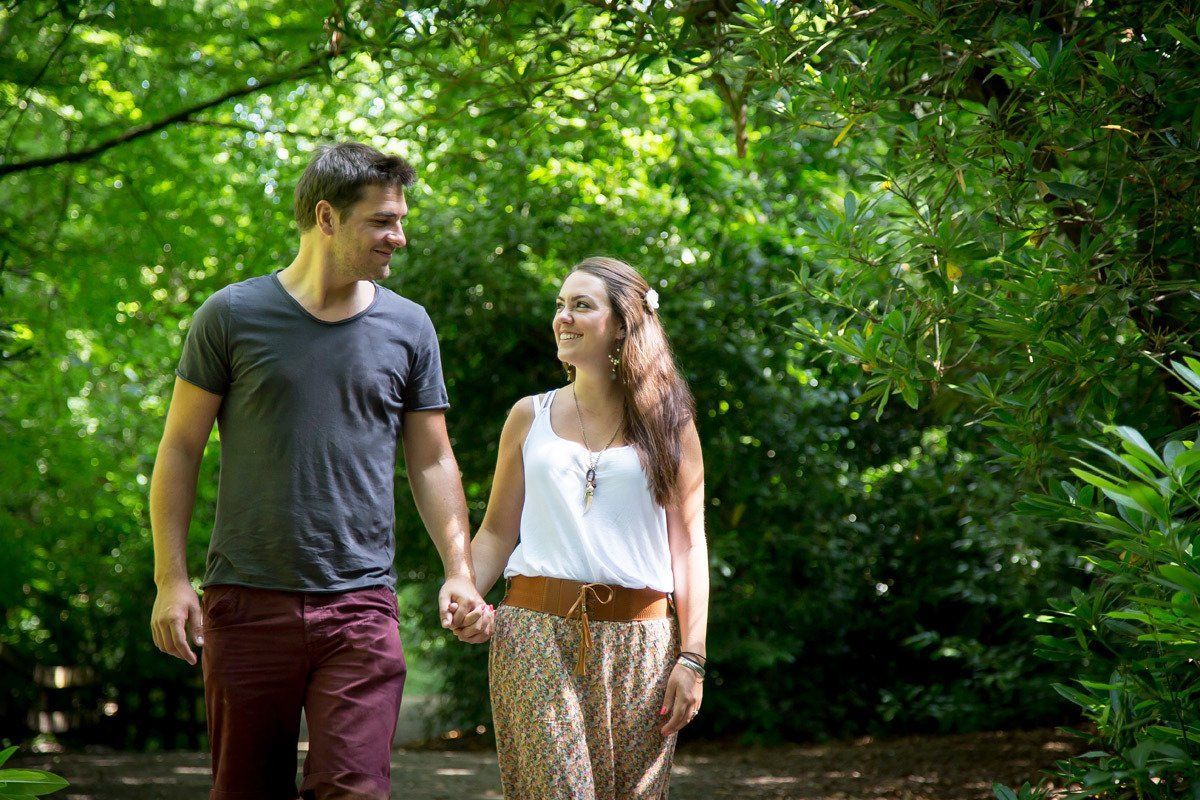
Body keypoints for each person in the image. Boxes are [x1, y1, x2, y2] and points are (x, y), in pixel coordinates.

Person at [148, 142, 488, 800]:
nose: (400, 237)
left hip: (360, 605)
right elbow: (180, 449)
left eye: (400, 219)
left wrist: (459, 570)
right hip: (245, 602)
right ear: (327, 218)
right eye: (383, 221)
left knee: (354, 790)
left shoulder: (409, 327)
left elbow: (432, 456)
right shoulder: (231, 316)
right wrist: (171, 579)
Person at [454, 256, 709, 799]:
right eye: (560, 304)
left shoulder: (671, 421)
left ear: (622, 324)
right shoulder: (529, 416)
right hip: (535, 635)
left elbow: (688, 546)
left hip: (644, 645)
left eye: (581, 305)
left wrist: (693, 656)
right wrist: (462, 588)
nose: (562, 317)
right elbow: (497, 532)